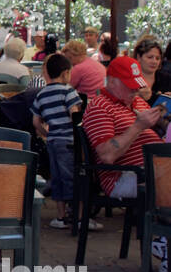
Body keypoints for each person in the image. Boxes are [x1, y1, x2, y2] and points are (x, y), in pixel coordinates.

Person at [82, 55, 163, 200]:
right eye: (129, 85)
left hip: (153, 168)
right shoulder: (100, 107)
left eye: (137, 85)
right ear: (112, 82)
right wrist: (138, 126)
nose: (135, 90)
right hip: (125, 176)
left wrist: (164, 116)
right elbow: (107, 155)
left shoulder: (137, 101)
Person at [32, 53, 82, 229]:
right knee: (73, 177)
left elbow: (36, 121)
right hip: (68, 141)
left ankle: (60, 217)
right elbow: (74, 113)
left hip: (52, 141)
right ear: (65, 73)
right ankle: (78, 215)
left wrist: (46, 134)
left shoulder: (41, 94)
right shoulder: (68, 91)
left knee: (57, 178)